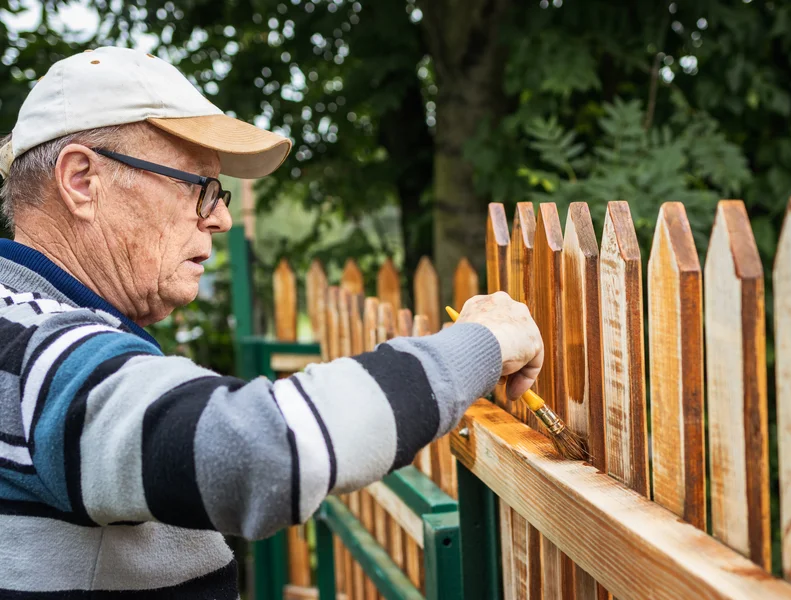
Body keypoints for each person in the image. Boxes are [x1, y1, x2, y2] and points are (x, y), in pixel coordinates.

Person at [0, 46, 543, 597]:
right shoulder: (42, 350)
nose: (221, 217)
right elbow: (257, 452)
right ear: (82, 180)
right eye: (198, 187)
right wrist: (484, 342)